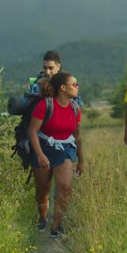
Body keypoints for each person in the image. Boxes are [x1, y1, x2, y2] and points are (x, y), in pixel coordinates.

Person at [28, 72, 83, 237]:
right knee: (42, 190)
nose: (77, 87)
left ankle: (57, 226)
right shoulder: (45, 105)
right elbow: (32, 131)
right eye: (74, 84)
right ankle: (42, 216)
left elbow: (77, 136)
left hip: (65, 148)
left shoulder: (75, 108)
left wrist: (81, 160)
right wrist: (40, 155)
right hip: (43, 147)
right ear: (63, 87)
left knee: (65, 188)